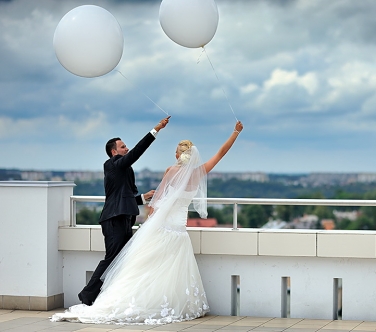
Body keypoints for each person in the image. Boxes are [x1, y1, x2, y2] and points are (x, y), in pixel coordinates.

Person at [51, 120, 244, 325]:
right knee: (164, 271)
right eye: (122, 146)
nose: (126, 148)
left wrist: (149, 218)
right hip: (179, 231)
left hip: (163, 227)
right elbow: (221, 153)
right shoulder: (198, 173)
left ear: (177, 155)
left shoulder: (170, 172)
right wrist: (235, 132)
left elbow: (158, 202)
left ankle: (118, 298)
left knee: (141, 267)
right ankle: (156, 302)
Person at [77, 116, 171, 306]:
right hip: (114, 219)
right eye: (122, 147)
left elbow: (123, 197)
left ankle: (111, 296)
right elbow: (135, 153)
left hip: (124, 218)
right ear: (114, 152)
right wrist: (155, 130)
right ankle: (87, 295)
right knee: (111, 259)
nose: (126, 149)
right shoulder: (112, 164)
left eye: (126, 146)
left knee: (124, 260)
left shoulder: (123, 169)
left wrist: (143, 198)